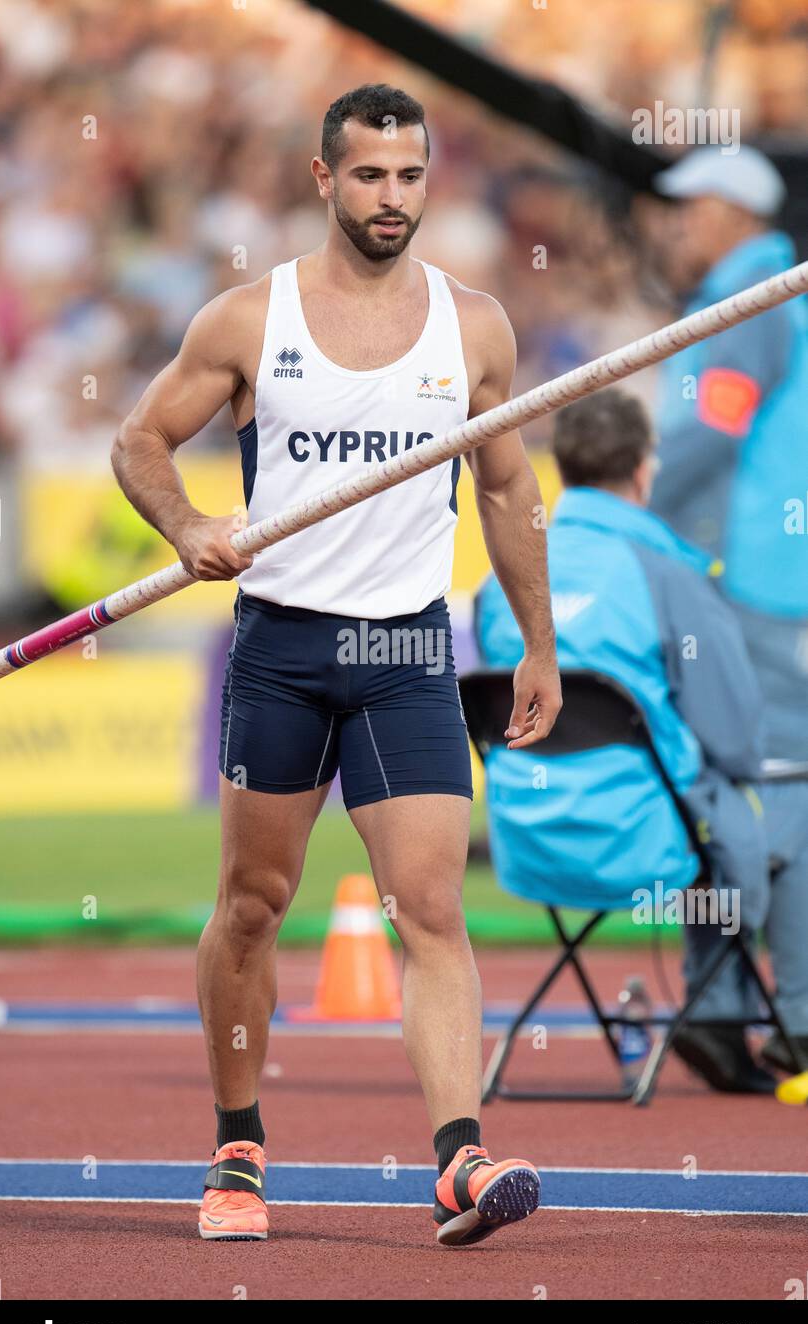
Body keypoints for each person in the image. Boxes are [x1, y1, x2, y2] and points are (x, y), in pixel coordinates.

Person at [111, 84, 561, 1245]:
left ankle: (460, 1159)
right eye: (369, 176)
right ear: (324, 179)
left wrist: (536, 646)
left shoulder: (474, 327)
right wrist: (187, 526)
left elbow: (509, 491)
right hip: (283, 647)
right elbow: (139, 440)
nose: (391, 198)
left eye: (410, 177)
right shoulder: (248, 322)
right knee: (253, 908)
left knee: (432, 907)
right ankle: (238, 1146)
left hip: (407, 648)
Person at [475, 387, 808, 1093]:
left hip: (530, 838)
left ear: (562, 465)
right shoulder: (669, 575)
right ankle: (793, 1027)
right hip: (644, 844)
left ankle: (719, 1016)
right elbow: (739, 738)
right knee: (776, 802)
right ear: (644, 468)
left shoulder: (496, 580)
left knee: (699, 803)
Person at [648, 148, 808, 1074]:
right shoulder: (754, 289)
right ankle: (753, 1005)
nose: (676, 224)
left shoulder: (754, 291)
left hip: (759, 579)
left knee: (765, 780)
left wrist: (631, 508)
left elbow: (716, 427)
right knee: (766, 777)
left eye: (692, 207)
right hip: (757, 576)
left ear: (738, 214)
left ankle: (734, 1001)